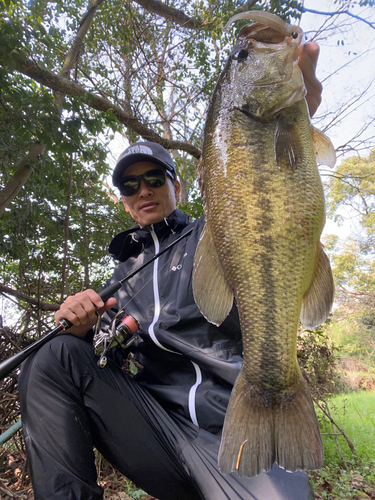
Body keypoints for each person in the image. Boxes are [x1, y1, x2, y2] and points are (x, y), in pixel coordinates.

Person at [19, 43, 323, 500]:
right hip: (157, 435)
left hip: (236, 429)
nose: (143, 190)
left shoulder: (218, 231)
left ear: (177, 186)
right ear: (122, 198)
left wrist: (291, 126)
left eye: (155, 178)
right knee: (52, 357)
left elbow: (266, 202)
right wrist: (79, 328)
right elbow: (98, 365)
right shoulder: (121, 279)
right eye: (130, 185)